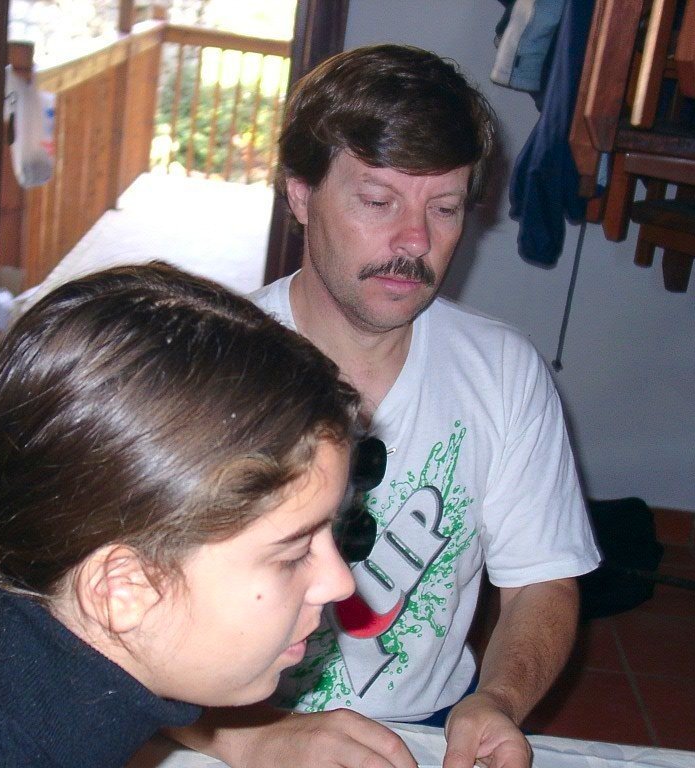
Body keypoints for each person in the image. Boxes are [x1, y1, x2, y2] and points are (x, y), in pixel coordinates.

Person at [167, 44, 601, 768]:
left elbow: (541, 582)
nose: (415, 241)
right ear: (300, 194)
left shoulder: (505, 372)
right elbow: (111, 617)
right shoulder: (201, 368)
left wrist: (497, 700)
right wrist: (256, 740)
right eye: (377, 202)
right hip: (226, 731)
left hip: (425, 732)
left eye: (445, 209)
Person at [0, 263, 361, 768]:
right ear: (124, 589)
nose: (340, 582)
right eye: (293, 553)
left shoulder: (0, 611)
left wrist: (247, 739)